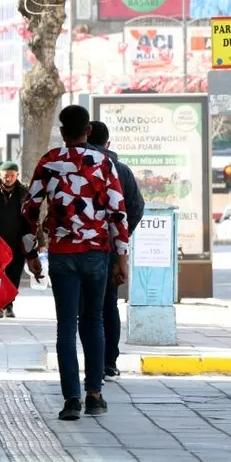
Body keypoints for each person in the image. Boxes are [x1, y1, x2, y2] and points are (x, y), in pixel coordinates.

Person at [22, 105, 129, 421]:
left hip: (62, 254)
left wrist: (32, 255)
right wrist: (121, 258)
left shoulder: (49, 162)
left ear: (62, 130)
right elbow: (117, 214)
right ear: (89, 131)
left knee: (66, 325)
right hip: (97, 253)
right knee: (93, 321)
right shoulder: (104, 163)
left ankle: (71, 400)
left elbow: (29, 211)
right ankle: (94, 394)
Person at [86, 121, 145, 379]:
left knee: (86, 308)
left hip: (84, 247)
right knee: (109, 305)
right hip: (111, 250)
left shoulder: (80, 167)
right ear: (108, 143)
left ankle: (93, 363)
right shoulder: (122, 171)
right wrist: (120, 237)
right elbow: (136, 207)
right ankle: (109, 362)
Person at [0, 161, 40, 319]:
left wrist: (39, 243)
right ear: (0, 175)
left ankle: (8, 305)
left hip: (17, 243)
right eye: (5, 176)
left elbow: (33, 219)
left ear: (17, 176)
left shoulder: (24, 193)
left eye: (12, 176)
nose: (8, 179)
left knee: (13, 275)